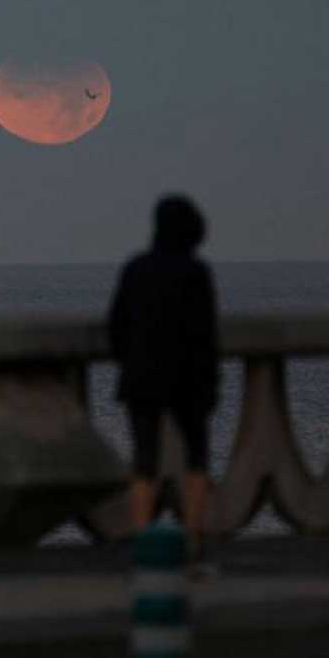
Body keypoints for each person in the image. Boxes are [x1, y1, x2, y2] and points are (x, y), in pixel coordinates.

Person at [109, 194, 219, 564]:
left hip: (141, 377)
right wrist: (211, 383)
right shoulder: (196, 272)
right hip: (189, 379)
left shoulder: (136, 269)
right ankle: (192, 538)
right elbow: (207, 334)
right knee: (197, 458)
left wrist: (129, 359)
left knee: (144, 459)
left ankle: (142, 538)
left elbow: (117, 326)